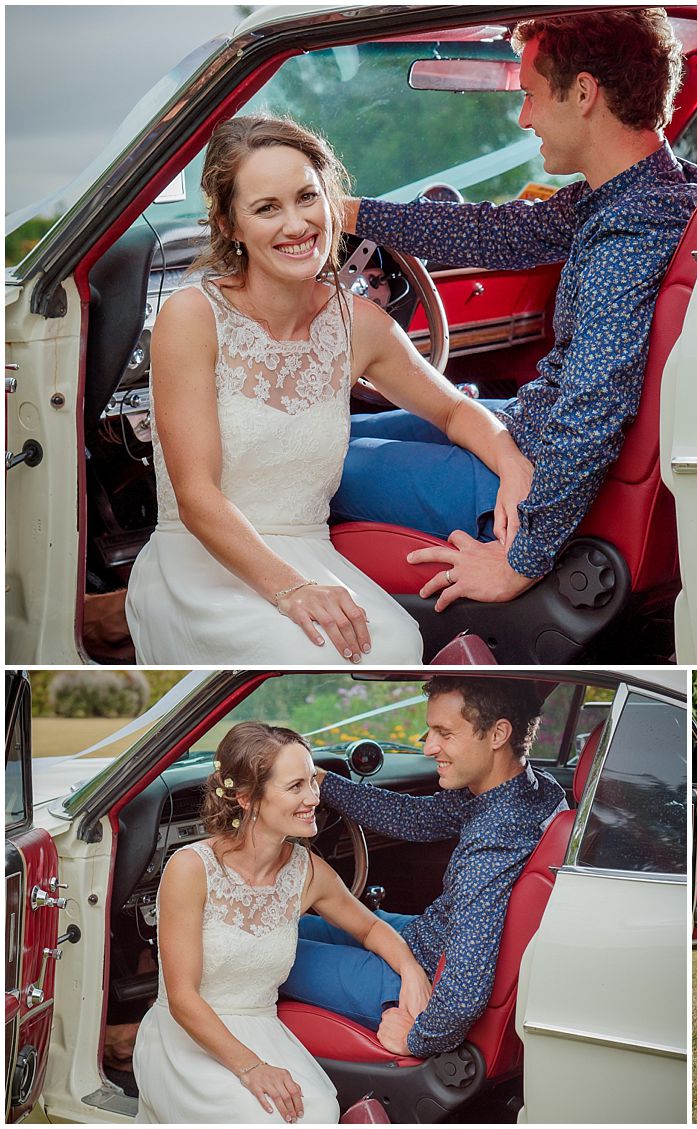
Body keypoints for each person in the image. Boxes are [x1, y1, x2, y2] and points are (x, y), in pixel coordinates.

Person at [330, 10, 697, 611]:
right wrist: (348, 214)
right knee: (329, 433)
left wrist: (520, 561)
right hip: (523, 426)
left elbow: (592, 411)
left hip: (524, 490)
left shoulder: (630, 232)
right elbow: (500, 233)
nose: (525, 116)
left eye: (533, 95)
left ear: (584, 93)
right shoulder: (656, 191)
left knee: (300, 465)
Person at [125, 116, 533, 664]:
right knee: (336, 654)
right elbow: (197, 499)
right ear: (229, 225)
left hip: (312, 551)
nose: (296, 225)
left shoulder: (360, 323)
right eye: (267, 208)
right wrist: (291, 590)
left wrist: (512, 465)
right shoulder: (192, 317)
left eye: (306, 198)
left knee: (399, 643)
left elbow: (456, 410)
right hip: (200, 561)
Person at [133, 722, 431, 1124]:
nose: (314, 798)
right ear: (246, 798)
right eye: (295, 787)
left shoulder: (308, 871)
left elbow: (370, 927)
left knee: (319, 1111)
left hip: (263, 1026)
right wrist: (252, 1068)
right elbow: (183, 998)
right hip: (186, 1037)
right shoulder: (190, 869)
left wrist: (409, 968)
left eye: (313, 781)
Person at [280, 677, 568, 1057]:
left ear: (498, 733)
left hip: (415, 980)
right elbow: (416, 818)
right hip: (425, 938)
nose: (429, 747)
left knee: (263, 952)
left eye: (444, 734)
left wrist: (418, 1037)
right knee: (288, 926)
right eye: (429, 731)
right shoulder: (532, 790)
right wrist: (321, 783)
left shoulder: (496, 836)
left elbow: (464, 989)